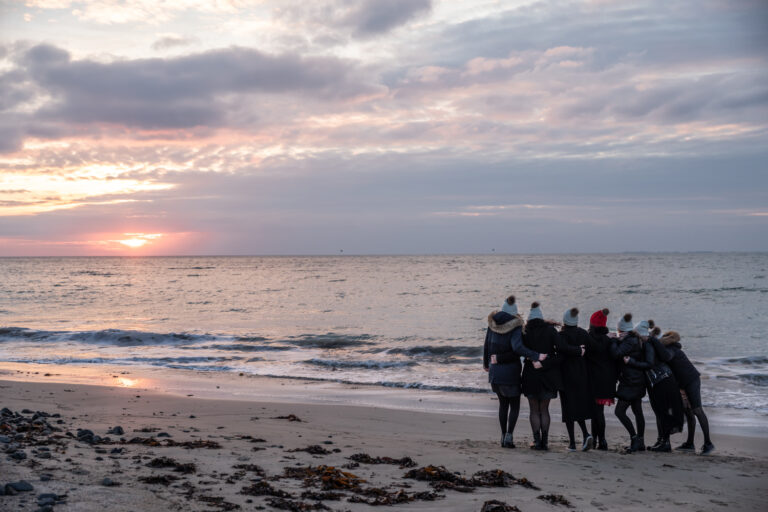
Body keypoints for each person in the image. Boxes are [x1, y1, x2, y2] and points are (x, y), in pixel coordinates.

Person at [483, 296, 547, 448]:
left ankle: (502, 436)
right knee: (515, 405)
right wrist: (535, 355)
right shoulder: (516, 326)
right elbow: (517, 348)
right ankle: (509, 437)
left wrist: (486, 363)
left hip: (494, 373)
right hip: (510, 373)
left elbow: (486, 345)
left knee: (503, 405)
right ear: (515, 313)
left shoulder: (492, 323)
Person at [622, 320, 684, 453]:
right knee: (661, 411)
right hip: (660, 380)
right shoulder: (647, 342)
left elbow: (649, 364)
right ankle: (662, 441)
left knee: (663, 411)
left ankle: (665, 443)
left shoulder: (648, 344)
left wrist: (631, 361)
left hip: (662, 380)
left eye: (637, 335)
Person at [661, 330, 714, 455]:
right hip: (684, 383)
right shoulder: (672, 348)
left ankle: (708, 443)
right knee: (689, 412)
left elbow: (667, 357)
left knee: (697, 410)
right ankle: (690, 444)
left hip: (691, 380)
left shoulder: (671, 349)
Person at [521, 302, 562, 451]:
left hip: (530, 373)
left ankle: (536, 441)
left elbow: (520, 350)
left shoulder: (524, 332)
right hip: (548, 375)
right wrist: (547, 362)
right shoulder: (550, 331)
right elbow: (561, 352)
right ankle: (544, 442)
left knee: (533, 409)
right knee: (544, 409)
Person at [558, 308, 593, 451]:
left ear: (565, 321)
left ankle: (572, 443)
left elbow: (561, 351)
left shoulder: (561, 335)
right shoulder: (584, 333)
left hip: (565, 374)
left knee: (568, 409)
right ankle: (585, 434)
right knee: (578, 407)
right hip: (582, 374)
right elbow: (591, 351)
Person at [611, 313, 647, 452]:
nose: (618, 334)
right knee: (638, 411)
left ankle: (634, 439)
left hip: (631, 382)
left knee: (619, 412)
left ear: (623, 331)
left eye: (619, 332)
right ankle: (640, 442)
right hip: (637, 380)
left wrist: (614, 340)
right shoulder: (634, 339)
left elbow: (616, 354)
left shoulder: (629, 341)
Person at [585, 308, 617, 450]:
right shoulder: (608, 340)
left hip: (592, 379)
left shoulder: (588, 338)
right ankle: (602, 440)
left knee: (594, 411)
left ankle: (597, 440)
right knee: (600, 412)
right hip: (606, 379)